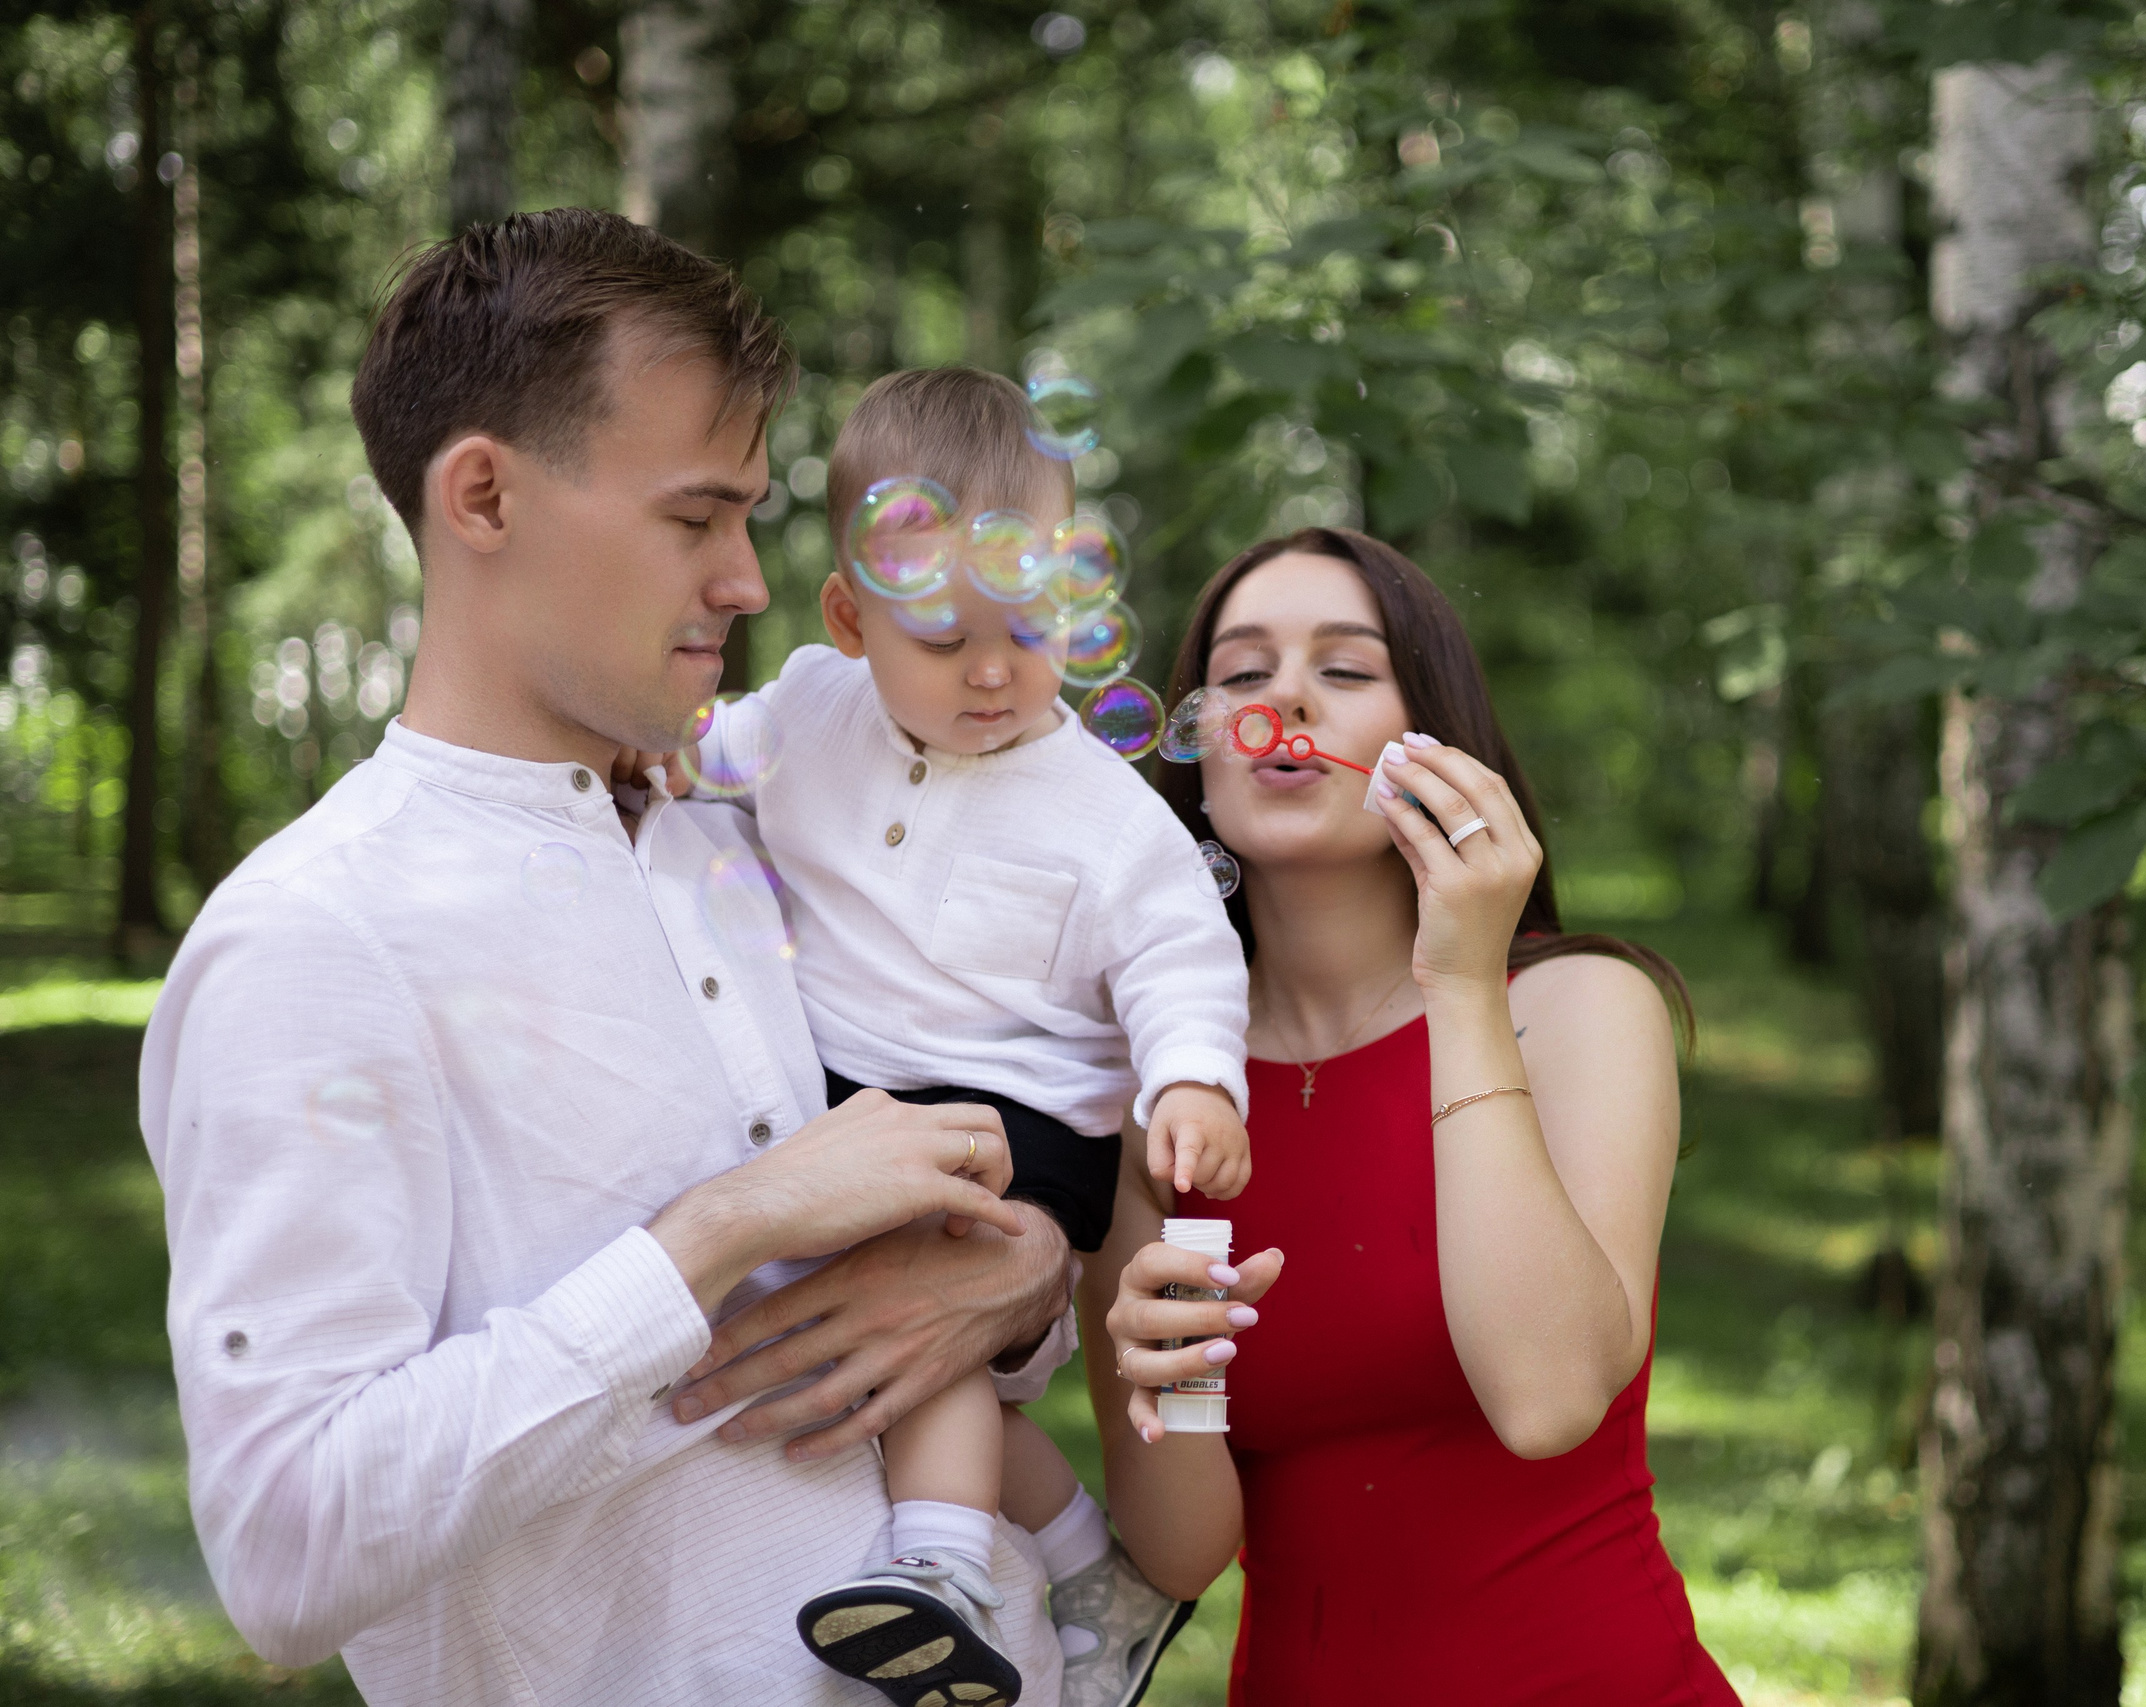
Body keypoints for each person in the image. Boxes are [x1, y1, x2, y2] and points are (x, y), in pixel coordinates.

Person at [137, 209, 1081, 1706]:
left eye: (752, 516)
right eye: (695, 516)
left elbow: (921, 1283)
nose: (751, 581)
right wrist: (711, 1234)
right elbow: (284, 1548)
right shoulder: (310, 937)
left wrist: (1021, 1283)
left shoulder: (756, 838)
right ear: (484, 495)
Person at [1084, 528, 1749, 1704]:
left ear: (1430, 742)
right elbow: (1181, 1553)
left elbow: (1546, 1399)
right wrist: (1139, 1357)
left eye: (1345, 671)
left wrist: (1458, 981)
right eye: (1240, 674)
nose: (1282, 696)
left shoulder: (1574, 1005)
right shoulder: (1164, 1094)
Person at [679, 367, 1251, 1705]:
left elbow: (1181, 953)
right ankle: (1077, 1555)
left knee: (920, 1278)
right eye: (941, 636)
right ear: (849, 619)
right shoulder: (812, 704)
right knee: (891, 1348)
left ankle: (938, 1566)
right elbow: (705, 748)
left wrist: (1191, 1077)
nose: (994, 670)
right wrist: (653, 753)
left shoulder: (1102, 812)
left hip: (1021, 1124)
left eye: (1031, 623)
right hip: (842, 1093)